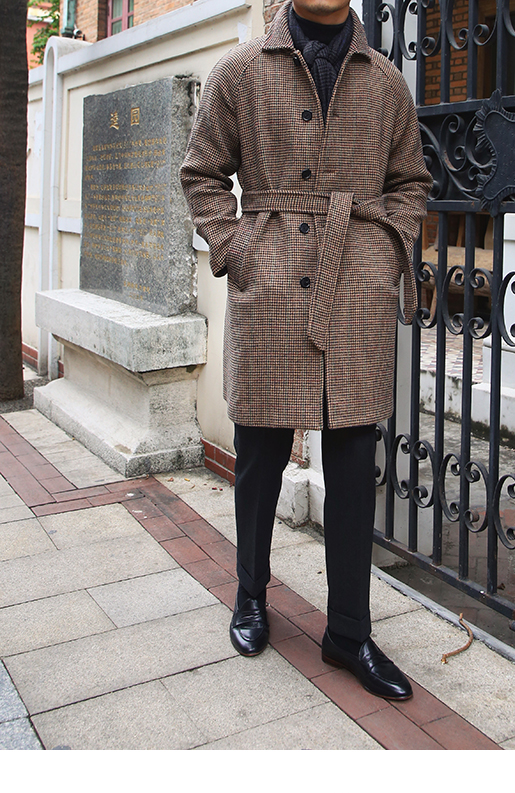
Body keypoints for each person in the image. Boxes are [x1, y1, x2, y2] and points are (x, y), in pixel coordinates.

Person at [180, 0, 431, 701]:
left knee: (352, 458)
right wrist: (237, 248)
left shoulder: (386, 82)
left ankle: (349, 630)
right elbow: (202, 174)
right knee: (259, 453)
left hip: (355, 287)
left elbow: (410, 183)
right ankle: (250, 595)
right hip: (267, 284)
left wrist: (382, 255)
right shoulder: (238, 72)